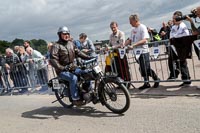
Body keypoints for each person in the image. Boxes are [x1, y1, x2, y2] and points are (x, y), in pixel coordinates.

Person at [49, 26, 93, 105]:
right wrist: (62, 68)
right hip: (62, 70)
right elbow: (53, 60)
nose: (67, 35)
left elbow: (78, 52)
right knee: (74, 78)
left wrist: (88, 57)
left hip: (73, 67)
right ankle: (75, 98)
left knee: (87, 73)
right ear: (60, 35)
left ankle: (87, 92)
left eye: (68, 34)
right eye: (64, 34)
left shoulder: (71, 43)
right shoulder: (56, 46)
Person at [124, 14, 160, 90]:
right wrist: (123, 45)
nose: (130, 23)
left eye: (131, 21)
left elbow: (145, 40)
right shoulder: (133, 30)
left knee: (145, 68)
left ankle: (156, 78)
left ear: (135, 20)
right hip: (137, 52)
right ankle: (146, 83)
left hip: (143, 51)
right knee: (142, 68)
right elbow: (129, 39)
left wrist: (134, 45)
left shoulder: (142, 27)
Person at [168, 11, 191, 86]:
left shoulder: (183, 25)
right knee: (172, 61)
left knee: (183, 63)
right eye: (173, 18)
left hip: (182, 47)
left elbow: (185, 34)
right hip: (175, 46)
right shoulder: (174, 27)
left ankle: (187, 80)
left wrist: (176, 37)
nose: (173, 20)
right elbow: (171, 36)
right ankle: (176, 73)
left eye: (175, 18)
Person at [105, 21, 131, 86]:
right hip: (115, 54)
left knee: (125, 68)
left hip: (121, 53)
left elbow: (121, 44)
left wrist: (111, 47)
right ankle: (121, 83)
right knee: (118, 69)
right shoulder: (111, 35)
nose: (113, 29)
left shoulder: (121, 33)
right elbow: (109, 44)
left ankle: (127, 83)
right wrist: (107, 47)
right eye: (111, 28)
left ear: (117, 26)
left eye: (114, 27)